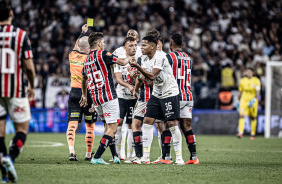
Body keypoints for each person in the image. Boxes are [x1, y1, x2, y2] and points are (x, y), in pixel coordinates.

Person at [80, 32, 131, 164]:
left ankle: (115, 156)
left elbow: (84, 79)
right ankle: (96, 157)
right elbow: (122, 62)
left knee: (107, 127)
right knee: (113, 129)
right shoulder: (103, 54)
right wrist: (130, 57)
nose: (104, 44)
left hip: (96, 100)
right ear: (98, 44)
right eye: (102, 42)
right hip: (108, 97)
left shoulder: (86, 60)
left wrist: (84, 95)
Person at [130, 36, 180, 164]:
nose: (141, 47)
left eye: (144, 45)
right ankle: (145, 157)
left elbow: (152, 75)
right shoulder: (145, 59)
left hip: (169, 92)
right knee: (147, 122)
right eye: (141, 45)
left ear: (152, 46)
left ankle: (179, 158)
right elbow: (149, 81)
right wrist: (139, 75)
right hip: (157, 93)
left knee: (172, 125)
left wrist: (137, 67)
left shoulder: (161, 57)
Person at [0, 0, 35, 182]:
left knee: (0, 133)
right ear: (11, 14)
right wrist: (31, 85)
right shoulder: (20, 35)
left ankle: (5, 174)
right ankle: (10, 158)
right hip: (15, 89)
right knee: (22, 129)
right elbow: (29, 67)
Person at [66, 24, 98, 162]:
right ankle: (88, 154)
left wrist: (82, 33)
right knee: (90, 125)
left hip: (74, 92)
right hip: (89, 93)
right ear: (90, 48)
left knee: (72, 124)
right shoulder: (92, 59)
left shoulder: (72, 55)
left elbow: (76, 47)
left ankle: (72, 151)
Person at [167, 33, 199, 164]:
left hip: (175, 96)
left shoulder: (169, 57)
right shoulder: (188, 58)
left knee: (170, 126)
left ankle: (169, 156)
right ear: (183, 44)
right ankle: (193, 157)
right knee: (187, 127)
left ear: (171, 44)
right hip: (188, 95)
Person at [113, 29, 142, 161]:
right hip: (121, 93)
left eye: (135, 40)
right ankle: (120, 154)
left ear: (138, 39)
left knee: (132, 124)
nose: (133, 46)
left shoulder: (142, 52)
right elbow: (118, 78)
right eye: (129, 38)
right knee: (119, 122)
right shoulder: (118, 52)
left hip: (135, 95)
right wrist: (129, 84)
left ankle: (131, 155)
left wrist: (135, 83)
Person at [237, 68, 261, 140]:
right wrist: (238, 100)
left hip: (252, 100)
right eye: (247, 72)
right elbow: (240, 91)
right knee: (242, 116)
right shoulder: (243, 80)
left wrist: (254, 100)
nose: (248, 73)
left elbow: (257, 92)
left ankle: (252, 134)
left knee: (253, 117)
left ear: (253, 73)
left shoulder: (256, 80)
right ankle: (240, 133)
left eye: (249, 72)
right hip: (244, 100)